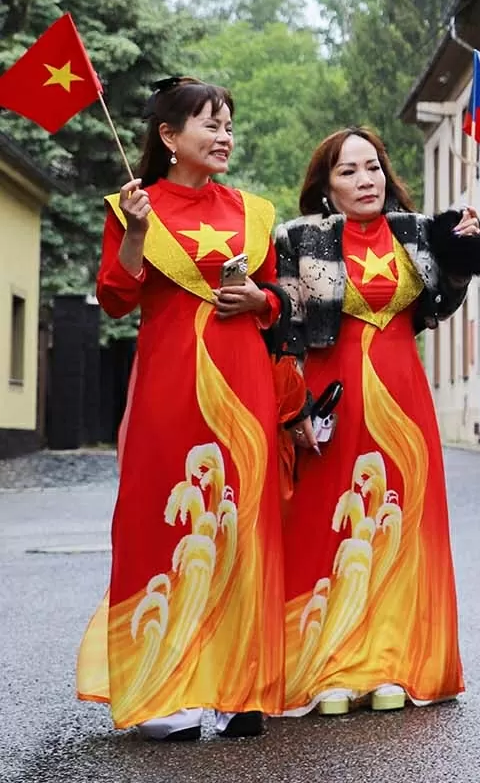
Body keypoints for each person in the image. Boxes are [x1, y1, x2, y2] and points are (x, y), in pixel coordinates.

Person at [77, 78, 291, 740]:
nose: (224, 136)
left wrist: (260, 302)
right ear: (169, 137)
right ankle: (160, 687)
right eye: (209, 124)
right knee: (166, 515)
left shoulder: (253, 212)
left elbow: (276, 297)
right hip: (170, 384)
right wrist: (138, 232)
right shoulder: (133, 207)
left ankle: (239, 684)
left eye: (228, 124)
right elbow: (115, 298)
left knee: (243, 517)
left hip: (244, 382)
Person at [273, 127, 480, 718]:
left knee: (403, 520)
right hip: (332, 394)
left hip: (404, 393)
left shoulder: (419, 231)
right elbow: (285, 330)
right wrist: (292, 408)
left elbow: (441, 304)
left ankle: (394, 662)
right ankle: (327, 666)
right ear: (326, 186)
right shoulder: (296, 239)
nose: (364, 180)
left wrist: (461, 255)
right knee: (330, 521)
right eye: (348, 171)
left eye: (372, 167)